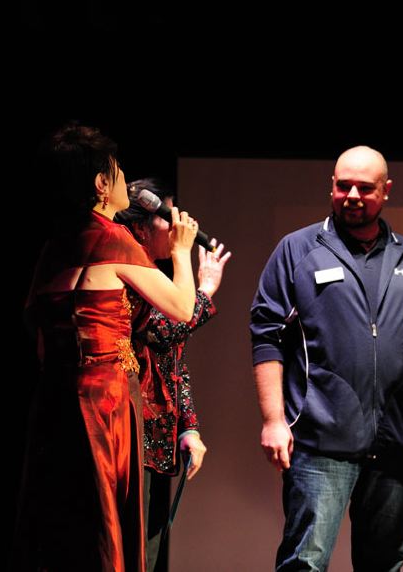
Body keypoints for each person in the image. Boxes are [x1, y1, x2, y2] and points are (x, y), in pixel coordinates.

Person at [14, 124, 199, 572]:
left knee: (62, 519)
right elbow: (180, 307)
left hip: (55, 399)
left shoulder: (54, 246)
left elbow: (33, 321)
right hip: (105, 402)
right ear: (101, 183)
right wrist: (180, 253)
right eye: (118, 172)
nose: (124, 180)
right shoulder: (112, 238)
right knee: (101, 519)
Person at [250, 145, 403, 571]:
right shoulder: (297, 249)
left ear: (386, 191)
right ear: (331, 185)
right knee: (305, 562)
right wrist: (273, 420)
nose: (352, 196)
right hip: (320, 442)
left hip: (395, 444)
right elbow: (266, 336)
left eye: (365, 188)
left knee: (384, 564)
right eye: (343, 186)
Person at [117, 178, 232, 572]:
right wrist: (204, 291)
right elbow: (164, 331)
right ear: (141, 227)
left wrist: (189, 427)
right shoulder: (130, 270)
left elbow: (171, 359)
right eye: (168, 216)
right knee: (127, 550)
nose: (179, 225)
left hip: (155, 433)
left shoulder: (154, 274)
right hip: (129, 429)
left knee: (146, 553)